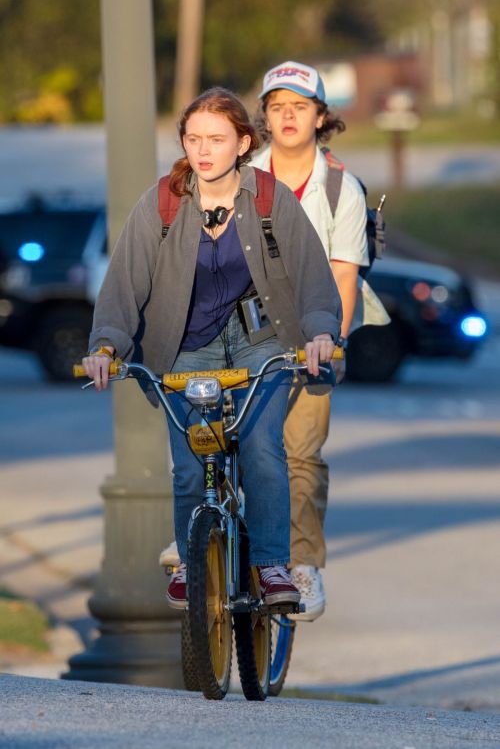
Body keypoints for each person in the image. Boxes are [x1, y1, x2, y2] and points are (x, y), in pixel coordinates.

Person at [82, 87, 343, 610]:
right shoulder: (161, 201)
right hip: (186, 345)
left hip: (260, 342)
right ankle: (191, 557)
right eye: (194, 138)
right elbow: (124, 286)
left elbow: (314, 279)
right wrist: (106, 345)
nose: (204, 150)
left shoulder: (270, 198)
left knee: (263, 449)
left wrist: (319, 335)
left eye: (217, 139)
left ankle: (270, 563)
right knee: (188, 462)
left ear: (243, 143)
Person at [251, 61, 390, 621]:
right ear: (263, 116)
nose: (288, 116)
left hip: (314, 334)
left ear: (320, 116)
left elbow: (342, 275)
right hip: (244, 333)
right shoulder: (240, 175)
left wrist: (327, 343)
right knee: (209, 429)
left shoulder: (341, 188)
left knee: (298, 452)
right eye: (277, 106)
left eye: (300, 106)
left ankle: (302, 563)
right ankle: (198, 539)